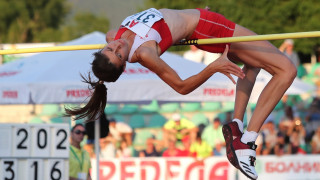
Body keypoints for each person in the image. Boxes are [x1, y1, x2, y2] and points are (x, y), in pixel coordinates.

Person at [65, 7, 297, 179]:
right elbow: (182, 87)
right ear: (125, 65)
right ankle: (247, 141)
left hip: (200, 21)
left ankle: (236, 125)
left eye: (110, 48)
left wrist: (182, 23)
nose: (117, 46)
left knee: (253, 64)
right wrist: (212, 67)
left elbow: (158, 22)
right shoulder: (145, 53)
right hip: (208, 26)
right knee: (287, 70)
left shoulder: (112, 35)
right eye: (118, 55)